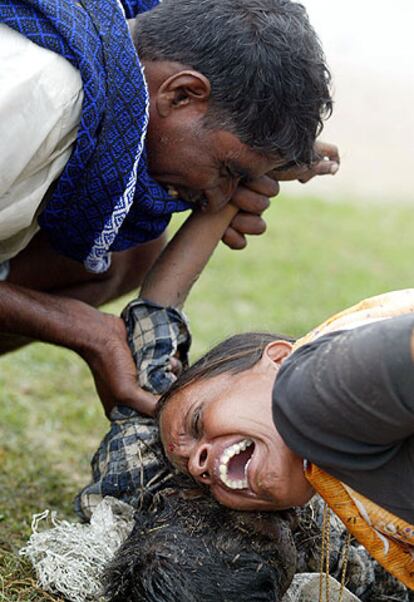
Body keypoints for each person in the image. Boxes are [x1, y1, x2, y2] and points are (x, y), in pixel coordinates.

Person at [0, 0, 338, 416]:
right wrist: (77, 327)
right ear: (181, 94)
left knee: (133, 254)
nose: (219, 196)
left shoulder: (113, 70)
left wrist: (259, 162)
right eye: (227, 170)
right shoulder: (32, 96)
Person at [158, 289, 414, 588]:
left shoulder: (305, 389)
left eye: (197, 421)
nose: (197, 467)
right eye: (194, 474)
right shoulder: (344, 467)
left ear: (278, 358)